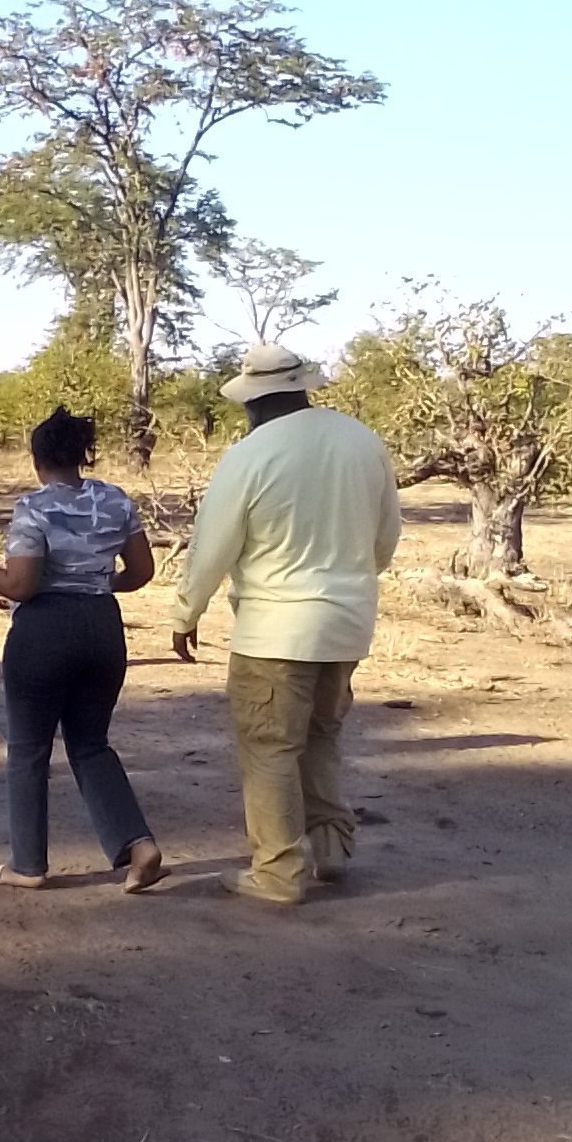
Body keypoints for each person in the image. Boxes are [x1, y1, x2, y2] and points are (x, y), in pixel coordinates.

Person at [171, 342, 401, 904]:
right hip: (346, 624)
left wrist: (186, 612)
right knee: (322, 736)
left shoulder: (250, 456)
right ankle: (332, 847)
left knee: (270, 747)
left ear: (253, 400)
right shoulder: (362, 440)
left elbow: (212, 548)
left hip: (273, 629)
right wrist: (348, 581)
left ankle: (278, 871)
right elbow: (386, 537)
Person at [0, 405, 162, 893]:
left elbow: (22, 586)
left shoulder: (33, 508)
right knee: (91, 743)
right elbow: (141, 571)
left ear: (37, 460)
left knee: (28, 748)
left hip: (44, 631)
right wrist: (100, 584)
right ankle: (138, 844)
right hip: (102, 627)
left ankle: (28, 864)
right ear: (82, 455)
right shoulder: (115, 500)